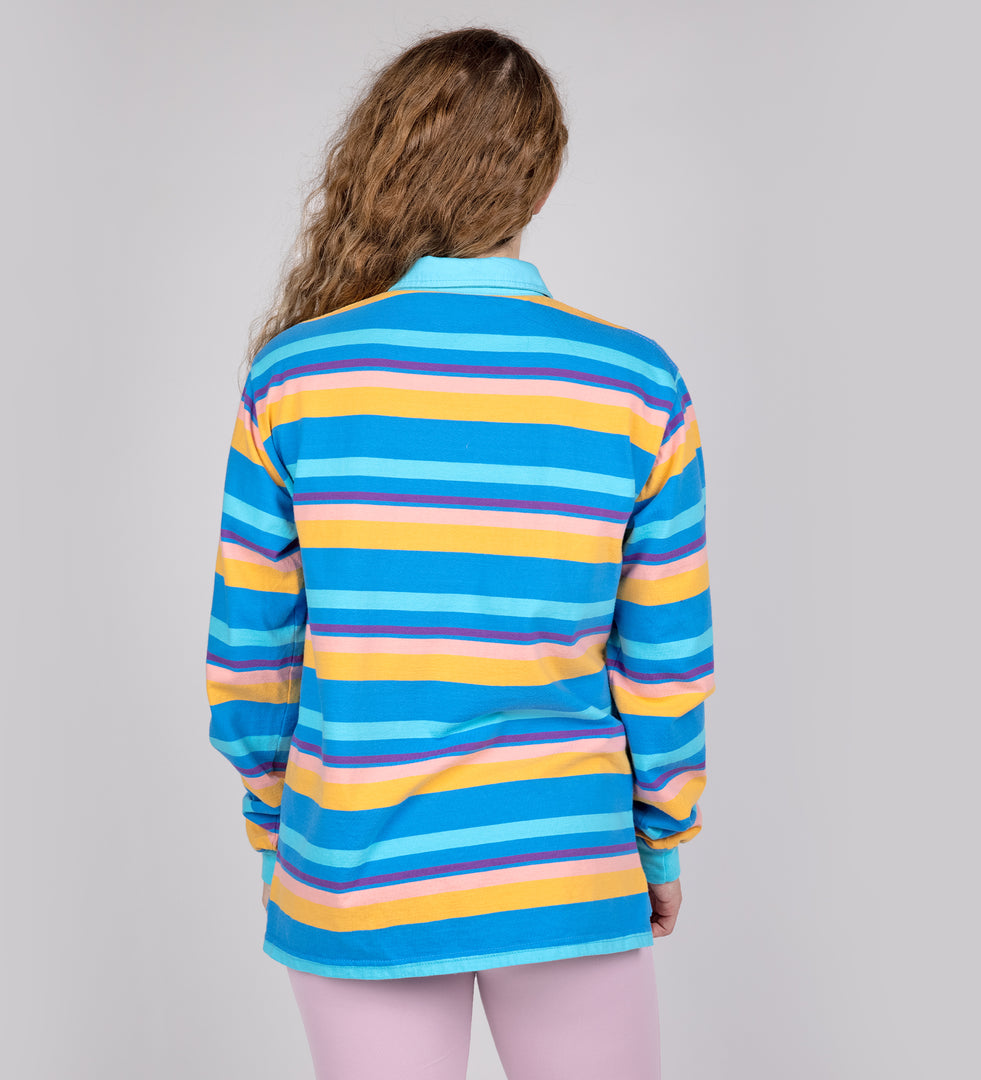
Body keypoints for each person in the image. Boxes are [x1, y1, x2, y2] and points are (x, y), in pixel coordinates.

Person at [205, 25, 714, 1080]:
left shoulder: (294, 378)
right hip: (563, 866)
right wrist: (660, 838)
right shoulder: (636, 384)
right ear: (540, 180)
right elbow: (665, 661)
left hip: (353, 867)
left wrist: (276, 828)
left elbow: (251, 656)